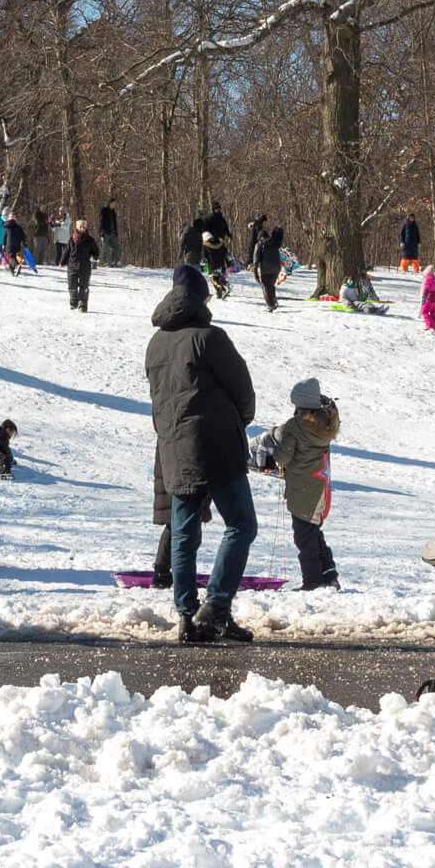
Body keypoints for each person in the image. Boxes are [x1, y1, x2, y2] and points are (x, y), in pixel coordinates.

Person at [147, 264, 258, 644]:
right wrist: (237, 422)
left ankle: (186, 615)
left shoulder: (155, 344)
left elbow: (157, 404)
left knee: (184, 534)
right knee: (242, 524)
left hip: (174, 447)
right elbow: (243, 390)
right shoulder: (210, 338)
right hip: (217, 447)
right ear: (198, 298)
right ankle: (218, 606)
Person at [272, 378, 341, 591]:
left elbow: (283, 458)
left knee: (304, 538)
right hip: (320, 487)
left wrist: (276, 445)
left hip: (302, 490)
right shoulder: (325, 424)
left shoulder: (295, 427)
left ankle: (312, 581)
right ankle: (329, 575)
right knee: (314, 532)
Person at [252, 218, 285, 312]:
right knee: (271, 285)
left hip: (265, 269)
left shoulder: (259, 244)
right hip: (276, 268)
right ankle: (273, 301)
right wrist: (277, 229)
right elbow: (280, 239)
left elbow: (256, 259)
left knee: (266, 286)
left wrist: (255, 272)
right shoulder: (274, 242)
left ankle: (270, 304)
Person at [67, 219, 101, 311]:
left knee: (84, 286)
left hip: (85, 265)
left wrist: (95, 256)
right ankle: (74, 301)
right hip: (73, 265)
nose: (83, 229)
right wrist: (62, 261)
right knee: (72, 285)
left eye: (84, 227)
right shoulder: (72, 239)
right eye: (81, 227)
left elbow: (95, 250)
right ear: (77, 228)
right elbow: (67, 251)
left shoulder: (90, 240)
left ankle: (83, 304)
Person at [4, 210, 28, 274]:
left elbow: (4, 237)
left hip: (9, 245)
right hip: (17, 244)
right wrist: (24, 243)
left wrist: (3, 244)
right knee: (13, 256)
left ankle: (17, 266)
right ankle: (12, 270)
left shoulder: (6, 227)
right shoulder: (19, 227)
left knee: (12, 257)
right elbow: (23, 236)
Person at [99, 197, 121, 267]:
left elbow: (115, 223)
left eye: (115, 204)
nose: (115, 205)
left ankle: (114, 261)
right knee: (105, 247)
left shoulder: (114, 212)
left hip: (113, 232)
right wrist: (102, 232)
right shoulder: (104, 210)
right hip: (106, 232)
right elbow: (101, 222)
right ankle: (105, 262)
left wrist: (116, 232)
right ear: (110, 203)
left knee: (116, 247)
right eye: (114, 203)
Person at [420, 264, 435, 333]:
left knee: (424, 311)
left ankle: (429, 324)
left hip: (430, 297)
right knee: (434, 313)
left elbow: (426, 288)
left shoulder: (428, 279)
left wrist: (424, 296)